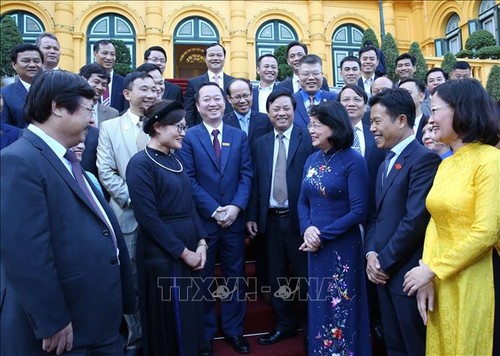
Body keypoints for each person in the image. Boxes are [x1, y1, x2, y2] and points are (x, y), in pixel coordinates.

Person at [0, 69, 134, 355]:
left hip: (95, 320)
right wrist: (51, 320)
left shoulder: (67, 160)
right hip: (65, 331)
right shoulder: (19, 162)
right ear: (58, 107)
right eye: (88, 109)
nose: (92, 119)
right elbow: (25, 253)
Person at [403, 79, 500, 356]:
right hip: (443, 277)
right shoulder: (446, 164)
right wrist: (427, 275)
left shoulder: (490, 161)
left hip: (478, 275)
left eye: (434, 110)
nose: (430, 120)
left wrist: (433, 269)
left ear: (461, 110)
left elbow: (488, 231)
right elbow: (435, 221)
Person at [126, 100, 207, 356]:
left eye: (185, 127)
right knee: (170, 322)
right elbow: (147, 218)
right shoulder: (140, 164)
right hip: (161, 255)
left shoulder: (177, 160)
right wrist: (184, 252)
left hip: (190, 248)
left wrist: (202, 242)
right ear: (158, 127)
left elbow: (189, 205)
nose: (184, 132)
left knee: (191, 316)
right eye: (179, 127)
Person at [178, 82, 253, 356]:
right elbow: (188, 178)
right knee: (204, 278)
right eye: (206, 99)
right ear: (197, 106)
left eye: (217, 99)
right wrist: (214, 210)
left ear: (225, 102)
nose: (213, 104)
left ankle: (235, 330)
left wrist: (235, 207)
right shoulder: (189, 136)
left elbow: (246, 174)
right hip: (203, 222)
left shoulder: (238, 135)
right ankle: (206, 333)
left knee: (235, 277)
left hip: (233, 221)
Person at [365, 88, 441, 356]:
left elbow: (414, 220)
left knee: (414, 346)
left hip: (407, 275)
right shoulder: (385, 161)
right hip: (383, 275)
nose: (372, 128)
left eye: (376, 121)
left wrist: (383, 261)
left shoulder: (424, 159)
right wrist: (371, 253)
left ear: (400, 120)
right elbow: (376, 216)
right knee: (393, 346)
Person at [297, 101, 372, 355]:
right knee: (320, 305)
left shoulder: (354, 160)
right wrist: (307, 229)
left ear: (334, 126)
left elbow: (359, 211)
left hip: (342, 247)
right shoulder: (311, 159)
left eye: (316, 124)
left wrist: (321, 235)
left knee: (342, 306)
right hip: (314, 247)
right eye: (310, 124)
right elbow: (302, 201)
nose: (311, 129)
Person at [97, 71, 158, 354]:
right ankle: (135, 340)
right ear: (127, 93)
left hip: (163, 218)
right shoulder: (110, 127)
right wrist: (138, 200)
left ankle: (162, 338)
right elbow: (106, 172)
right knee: (131, 282)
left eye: (154, 88)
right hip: (127, 216)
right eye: (143, 88)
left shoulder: (165, 125)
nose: (150, 93)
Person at [246, 90, 312, 347]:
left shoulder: (307, 138)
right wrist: (252, 215)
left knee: (305, 277)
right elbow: (255, 181)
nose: (281, 113)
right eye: (276, 109)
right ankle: (284, 324)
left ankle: (310, 326)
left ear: (294, 111)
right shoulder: (260, 143)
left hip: (300, 220)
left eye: (286, 108)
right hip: (271, 220)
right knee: (277, 277)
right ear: (268, 112)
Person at [184, 43, 236, 127]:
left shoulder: (234, 83)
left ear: (224, 58)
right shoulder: (193, 83)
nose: (215, 58)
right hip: (202, 132)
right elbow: (189, 112)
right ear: (205, 59)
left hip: (231, 129)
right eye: (211, 55)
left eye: (219, 55)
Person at [1, 44, 43, 128]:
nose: (32, 65)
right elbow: (5, 129)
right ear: (14, 65)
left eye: (36, 61)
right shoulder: (4, 94)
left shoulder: (55, 89)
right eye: (26, 61)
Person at [223, 78, 272, 147]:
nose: (242, 100)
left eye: (245, 95)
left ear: (251, 95)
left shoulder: (266, 120)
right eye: (237, 97)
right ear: (229, 99)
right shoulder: (223, 122)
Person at [292, 55, 337, 129]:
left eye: (316, 73)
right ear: (299, 76)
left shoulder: (335, 99)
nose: (311, 78)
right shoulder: (290, 101)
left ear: (322, 75)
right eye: (306, 74)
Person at [93, 40, 126, 112]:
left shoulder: (124, 82)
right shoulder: (84, 81)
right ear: (95, 54)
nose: (109, 58)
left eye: (112, 54)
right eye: (105, 53)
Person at [399, 78, 427, 143]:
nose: (403, 97)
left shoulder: (430, 124)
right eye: (400, 94)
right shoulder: (394, 125)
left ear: (421, 96)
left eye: (408, 93)